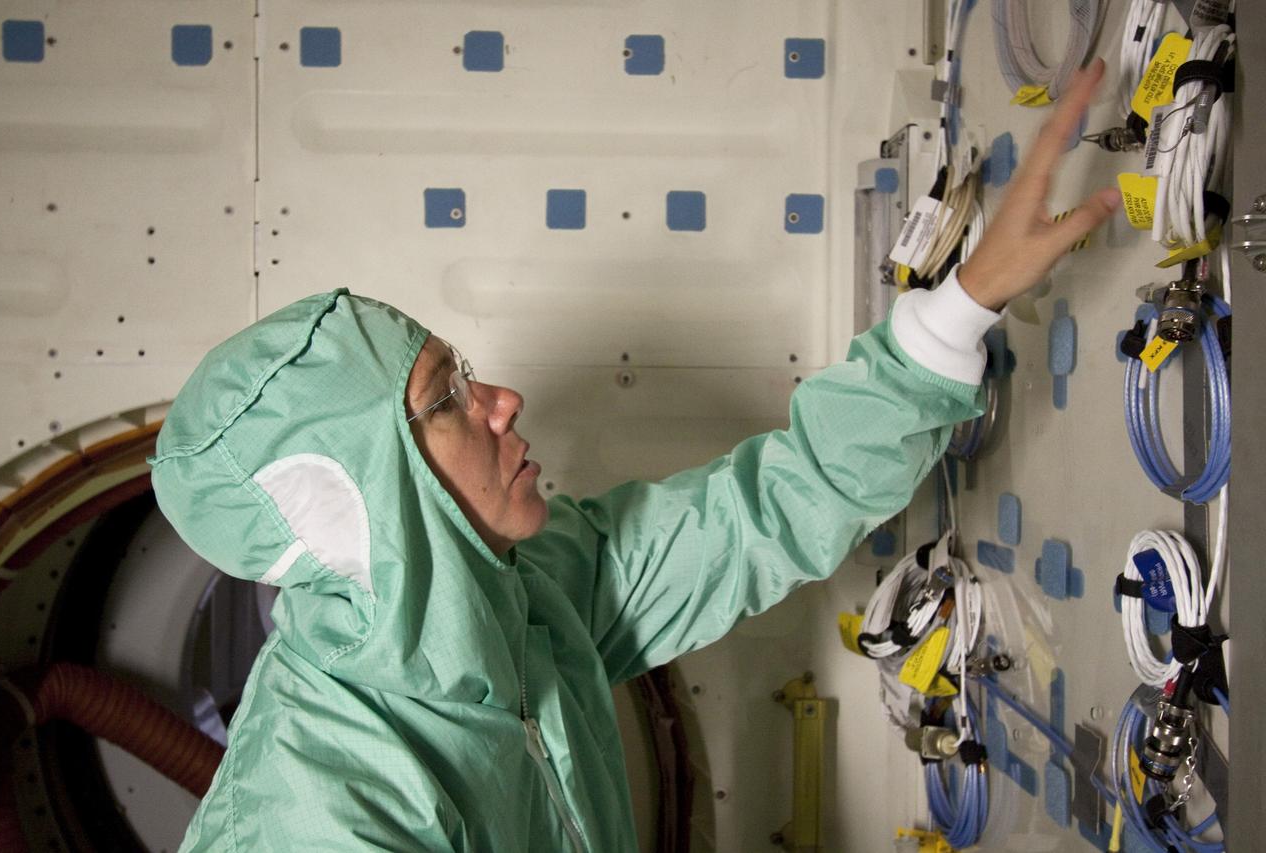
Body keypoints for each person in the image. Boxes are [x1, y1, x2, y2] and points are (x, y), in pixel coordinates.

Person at [150, 61, 1120, 852]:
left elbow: (756, 514)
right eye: (446, 399)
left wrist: (963, 303)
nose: (502, 402)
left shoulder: (523, 588)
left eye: (465, 372)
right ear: (368, 498)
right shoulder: (321, 811)